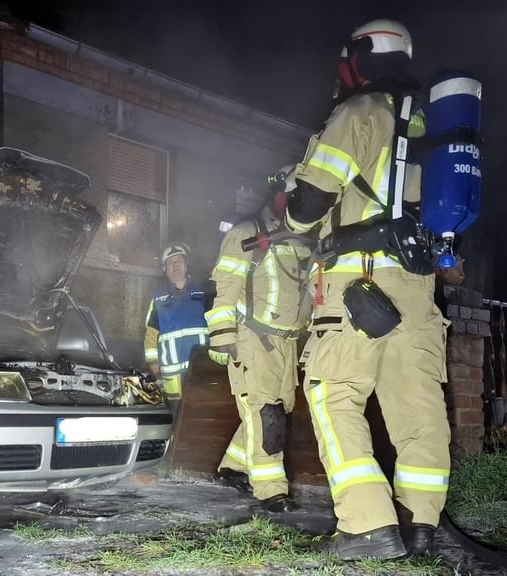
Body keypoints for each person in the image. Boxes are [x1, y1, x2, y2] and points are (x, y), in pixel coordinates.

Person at [285, 18, 452, 560]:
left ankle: (368, 525)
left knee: (333, 395)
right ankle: (419, 525)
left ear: (359, 56)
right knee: (417, 407)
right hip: (419, 288)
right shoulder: (434, 127)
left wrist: (293, 196)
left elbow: (305, 210)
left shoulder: (358, 113)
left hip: (356, 280)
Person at [204, 167, 312, 513]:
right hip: (253, 336)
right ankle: (270, 490)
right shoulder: (246, 233)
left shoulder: (299, 239)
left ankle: (233, 467)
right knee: (266, 413)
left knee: (275, 410)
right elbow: (225, 285)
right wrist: (223, 336)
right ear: (279, 195)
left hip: (286, 342)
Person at [143, 242, 210, 471]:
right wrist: (152, 361)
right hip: (171, 372)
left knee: (202, 416)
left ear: (186, 264)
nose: (175, 266)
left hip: (202, 369)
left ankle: (198, 462)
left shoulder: (204, 291)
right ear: (164, 269)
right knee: (175, 417)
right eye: (170, 263)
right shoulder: (158, 298)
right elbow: (151, 333)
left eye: (179, 261)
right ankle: (170, 463)